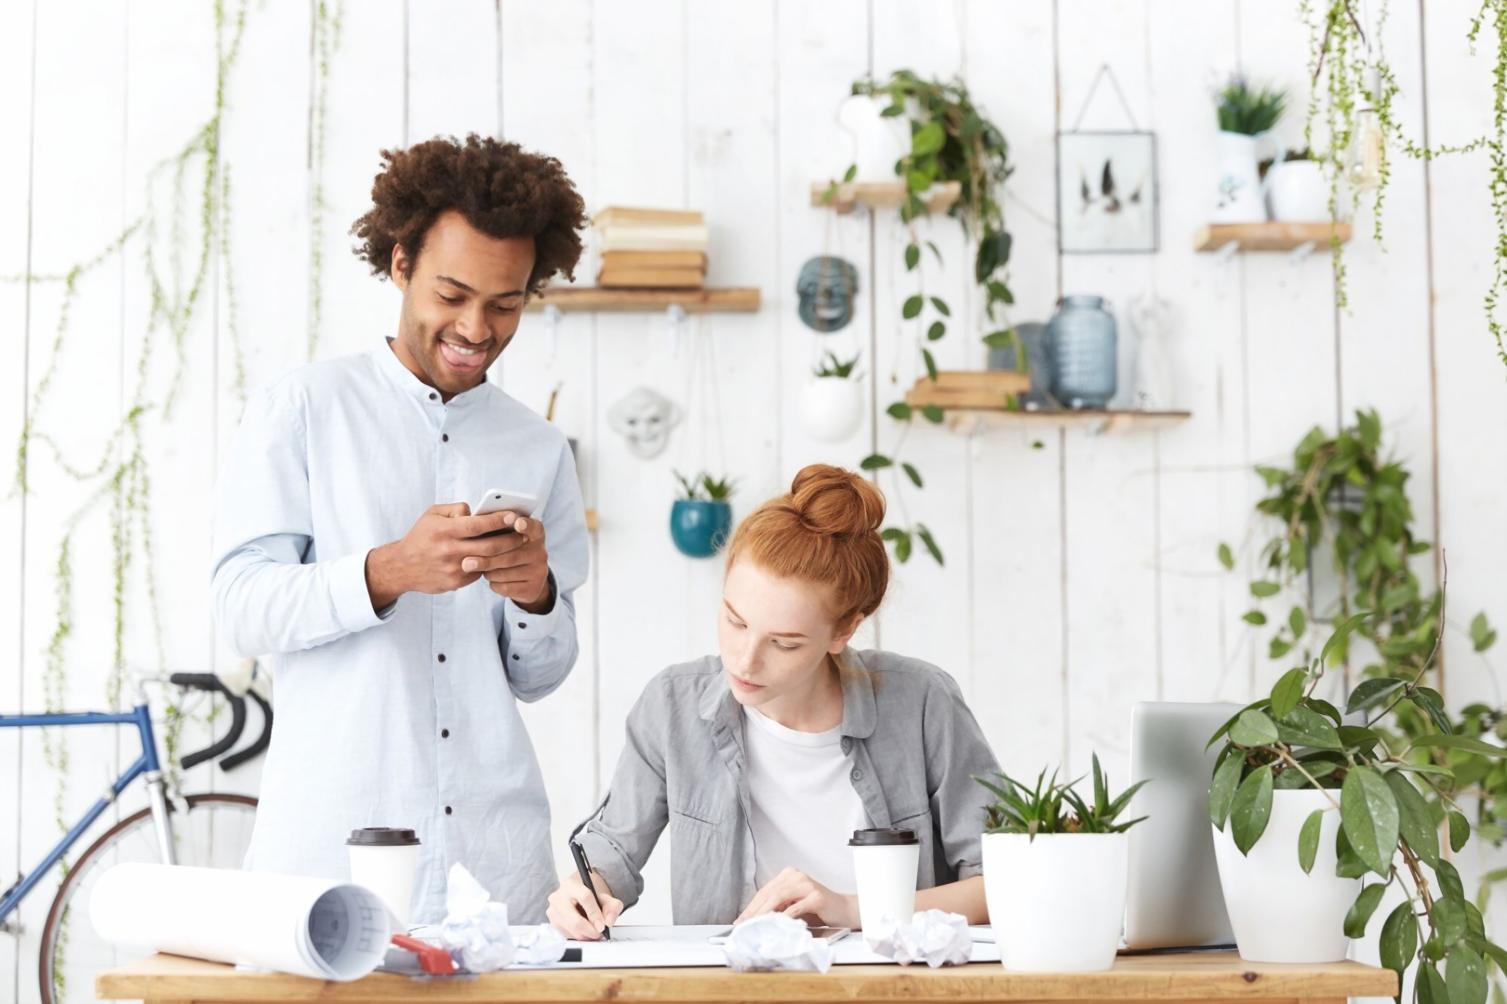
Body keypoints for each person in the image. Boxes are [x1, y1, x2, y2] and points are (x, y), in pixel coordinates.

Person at [210, 134, 590, 924]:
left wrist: (537, 598)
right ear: (400, 264)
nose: (477, 328)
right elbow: (241, 608)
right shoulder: (305, 409)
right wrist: (388, 570)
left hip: (496, 865)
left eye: (505, 303)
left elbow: (540, 675)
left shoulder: (539, 446)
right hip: (328, 851)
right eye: (452, 294)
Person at [546, 466, 998, 938]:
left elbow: (1002, 882)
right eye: (735, 621)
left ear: (844, 630)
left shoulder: (924, 704)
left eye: (784, 643)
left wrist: (849, 909)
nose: (744, 660)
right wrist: (583, 890)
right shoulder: (672, 706)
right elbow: (611, 851)